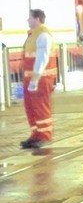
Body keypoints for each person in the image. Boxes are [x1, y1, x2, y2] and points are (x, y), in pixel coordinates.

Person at [21, 9, 57, 149]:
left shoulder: (43, 35)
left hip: (41, 79)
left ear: (37, 19)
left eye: (29, 17)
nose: (27, 20)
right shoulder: (33, 35)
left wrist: (35, 79)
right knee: (31, 108)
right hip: (31, 79)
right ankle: (35, 134)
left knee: (41, 108)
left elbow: (42, 58)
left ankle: (44, 136)